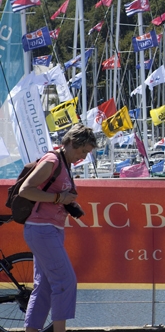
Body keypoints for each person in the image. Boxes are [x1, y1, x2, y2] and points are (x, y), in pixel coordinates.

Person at [19, 123, 96, 332]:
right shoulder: (52, 160)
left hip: (50, 229)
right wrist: (59, 198)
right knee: (65, 281)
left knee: (43, 286)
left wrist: (66, 201)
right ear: (71, 143)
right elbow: (26, 190)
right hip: (42, 228)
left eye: (86, 153)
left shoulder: (64, 163)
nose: (82, 156)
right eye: (82, 151)